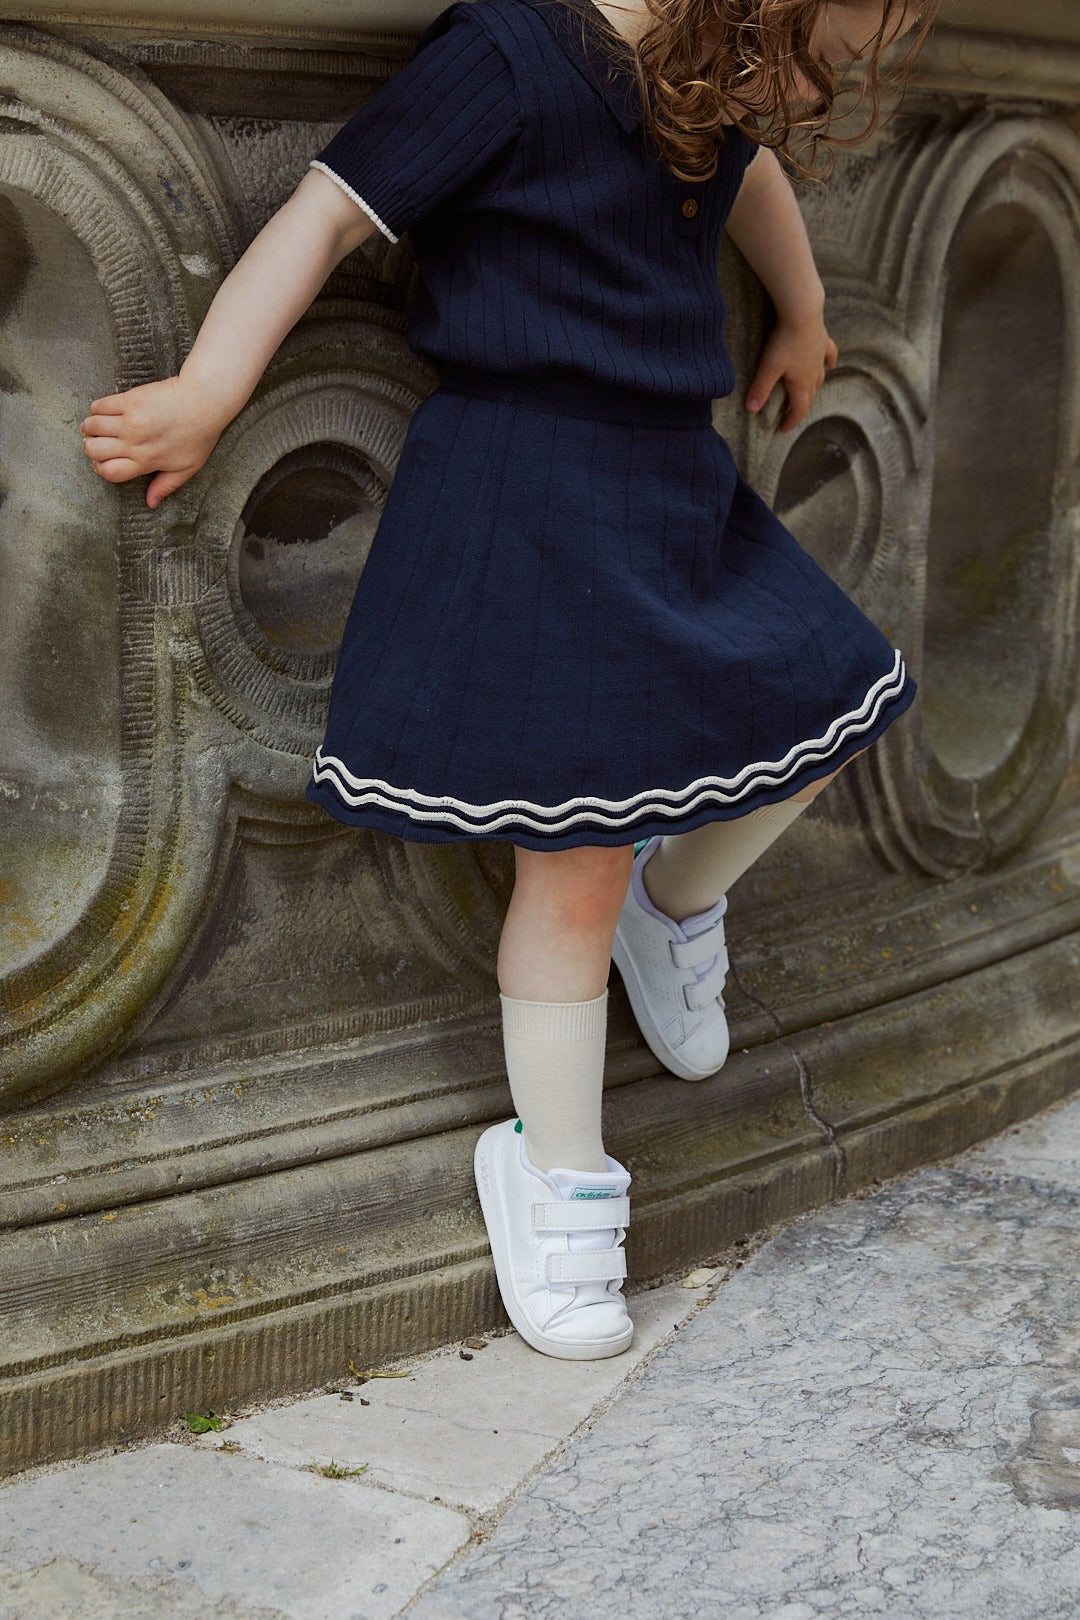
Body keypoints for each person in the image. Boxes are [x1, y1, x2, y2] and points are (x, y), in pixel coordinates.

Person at [80, 0, 935, 1363]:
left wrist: (806, 302)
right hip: (528, 485)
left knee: (840, 699)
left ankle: (680, 898)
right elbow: (326, 214)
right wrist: (209, 387)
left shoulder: (691, 65)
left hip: (666, 478)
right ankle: (560, 1179)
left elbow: (749, 174)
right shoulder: (507, 55)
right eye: (807, 24)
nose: (807, 63)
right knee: (572, 861)